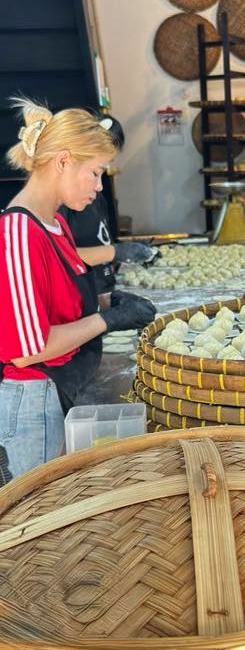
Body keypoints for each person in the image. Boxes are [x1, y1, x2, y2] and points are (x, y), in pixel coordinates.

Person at [0, 97, 156, 481]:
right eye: (95, 172)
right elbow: (27, 350)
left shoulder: (55, 224)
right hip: (32, 403)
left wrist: (110, 302)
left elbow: (59, 304)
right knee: (35, 518)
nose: (98, 187)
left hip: (62, 391)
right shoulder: (19, 233)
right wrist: (106, 320)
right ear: (64, 160)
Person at [59, 114, 155, 293]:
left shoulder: (96, 197)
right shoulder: (59, 206)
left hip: (103, 288)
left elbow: (101, 239)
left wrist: (128, 249)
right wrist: (116, 251)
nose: (99, 186)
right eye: (96, 172)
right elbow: (61, 258)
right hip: (82, 293)